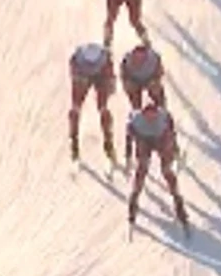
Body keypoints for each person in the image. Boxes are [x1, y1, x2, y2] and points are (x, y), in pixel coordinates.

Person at [124, 103, 190, 236]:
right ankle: (134, 199)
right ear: (143, 114)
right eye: (148, 116)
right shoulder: (136, 121)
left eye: (153, 116)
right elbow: (129, 137)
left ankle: (178, 200)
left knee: (166, 171)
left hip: (161, 139)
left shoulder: (163, 118)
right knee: (141, 170)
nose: (151, 119)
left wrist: (175, 151)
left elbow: (172, 134)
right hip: (144, 140)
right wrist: (128, 155)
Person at [67, 43, 118, 163]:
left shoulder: (79, 61)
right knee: (77, 108)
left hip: (97, 76)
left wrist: (110, 84)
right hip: (85, 75)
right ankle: (74, 139)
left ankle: (107, 139)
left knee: (101, 108)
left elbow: (110, 77)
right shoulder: (78, 62)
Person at [120, 42, 167, 111]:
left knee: (156, 89)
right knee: (132, 90)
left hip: (150, 79)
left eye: (142, 58)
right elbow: (124, 76)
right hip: (134, 81)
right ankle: (136, 112)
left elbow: (160, 72)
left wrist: (155, 80)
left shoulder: (155, 58)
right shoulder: (126, 60)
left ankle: (161, 109)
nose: (139, 60)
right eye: (137, 58)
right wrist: (128, 83)